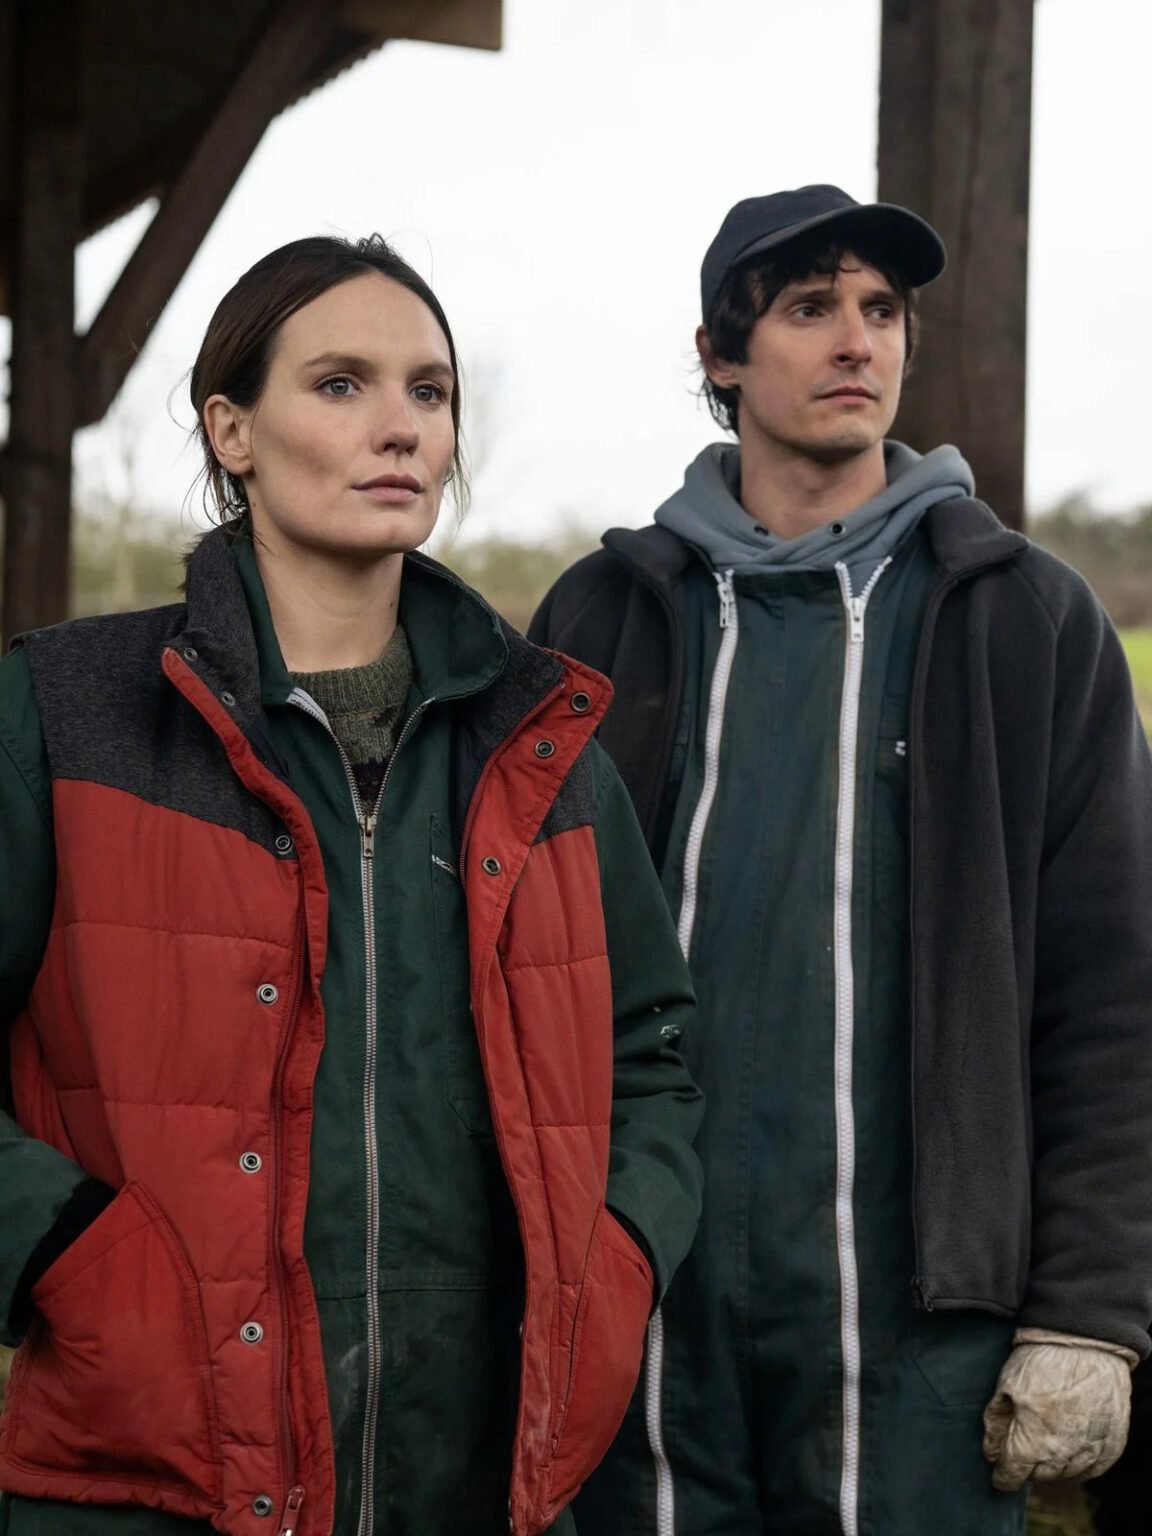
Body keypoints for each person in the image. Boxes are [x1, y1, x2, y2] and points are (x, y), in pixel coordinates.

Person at [0, 235, 704, 1536]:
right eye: (340, 384)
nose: (400, 426)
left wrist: (615, 1260)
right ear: (232, 432)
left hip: (479, 1477)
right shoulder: (63, 713)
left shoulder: (544, 749)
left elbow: (651, 1059)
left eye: (430, 391)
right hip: (148, 1478)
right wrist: (65, 1255)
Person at [530, 184, 1152, 1535]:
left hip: (923, 1326)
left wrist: (1092, 1311)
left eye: (882, 310)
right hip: (640, 1298)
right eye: (810, 309)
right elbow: (513, 964)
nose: (858, 340)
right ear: (720, 354)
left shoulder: (1025, 621)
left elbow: (1112, 994)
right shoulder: (602, 620)